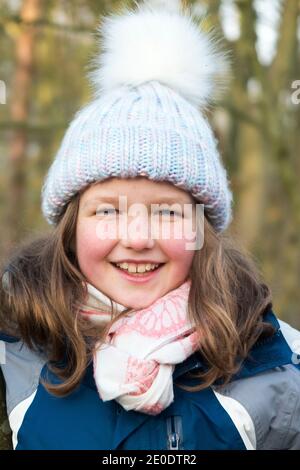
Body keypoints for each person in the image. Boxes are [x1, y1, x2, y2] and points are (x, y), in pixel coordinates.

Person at [0, 0, 300, 451]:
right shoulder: (15, 346)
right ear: (71, 226)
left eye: (167, 212)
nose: (138, 238)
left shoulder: (276, 366)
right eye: (108, 211)